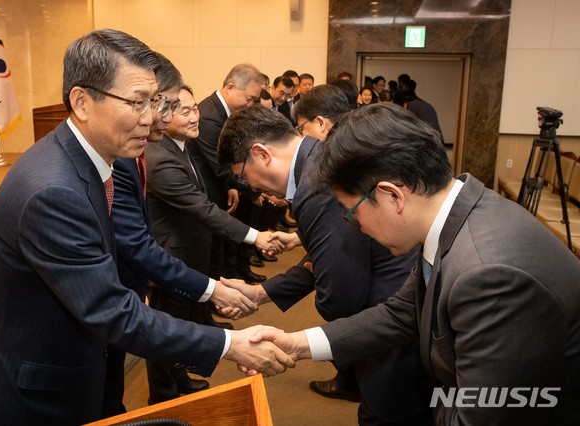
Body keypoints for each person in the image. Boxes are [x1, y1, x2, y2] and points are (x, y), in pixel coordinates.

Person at [0, 29, 293, 426]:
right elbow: (110, 309)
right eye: (137, 102)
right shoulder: (53, 190)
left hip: (74, 366)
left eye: (153, 102)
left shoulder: (89, 163)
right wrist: (229, 343)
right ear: (82, 101)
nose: (151, 118)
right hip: (32, 392)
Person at [248, 103, 580, 426]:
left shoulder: (490, 277)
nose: (354, 225)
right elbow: (400, 313)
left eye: (351, 211)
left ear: (393, 196)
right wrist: (299, 344)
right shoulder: (455, 215)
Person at [217, 103, 433, 425]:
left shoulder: (315, 185)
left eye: (242, 177)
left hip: (388, 328)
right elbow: (328, 259)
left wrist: (298, 339)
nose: (250, 189)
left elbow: (340, 296)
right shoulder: (318, 158)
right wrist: (260, 293)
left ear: (261, 154)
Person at [108, 53, 262, 415]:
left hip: (169, 262)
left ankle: (176, 386)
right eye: (166, 106)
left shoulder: (159, 151)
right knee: (163, 333)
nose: (155, 116)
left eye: (167, 106)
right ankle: (164, 394)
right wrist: (218, 299)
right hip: (159, 263)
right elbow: (138, 242)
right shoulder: (144, 158)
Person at [144, 84, 282, 403]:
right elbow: (201, 207)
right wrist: (256, 236)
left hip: (191, 250)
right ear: (163, 114)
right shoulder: (159, 156)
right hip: (169, 257)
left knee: (180, 324)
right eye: (186, 111)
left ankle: (178, 377)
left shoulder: (183, 146)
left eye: (195, 109)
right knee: (165, 329)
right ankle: (162, 396)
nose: (196, 117)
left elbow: (203, 191)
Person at [187, 63, 266, 283]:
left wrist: (234, 186)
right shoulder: (210, 116)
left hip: (222, 188)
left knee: (221, 246)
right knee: (212, 250)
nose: (249, 104)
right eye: (249, 98)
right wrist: (254, 190)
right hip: (208, 191)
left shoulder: (223, 111)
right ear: (230, 87)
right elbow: (219, 165)